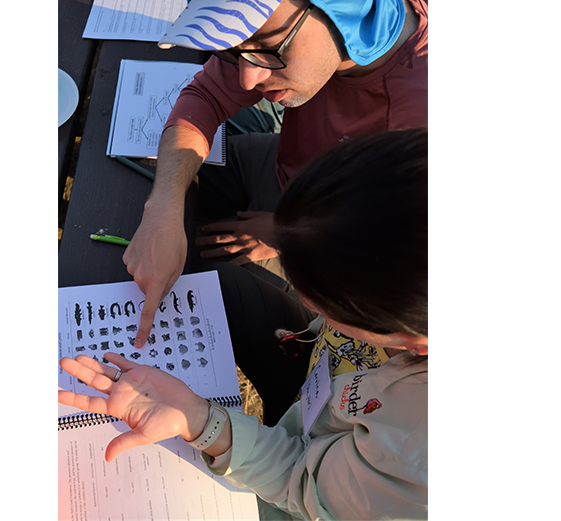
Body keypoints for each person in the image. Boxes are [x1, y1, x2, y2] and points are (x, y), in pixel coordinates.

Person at [60, 130, 428, 521]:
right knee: (225, 286)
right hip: (319, 371)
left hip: (307, 489)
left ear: (412, 338)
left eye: (317, 294)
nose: (301, 295)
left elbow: (302, 480)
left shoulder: (415, 457)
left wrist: (204, 424)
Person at [123, 0, 428, 347]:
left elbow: (396, 260)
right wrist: (163, 209)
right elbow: (205, 97)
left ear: (342, 6)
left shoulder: (422, 121)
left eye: (268, 48)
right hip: (282, 167)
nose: (247, 80)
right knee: (139, 194)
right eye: (235, 49)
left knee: (210, 285)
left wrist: (286, 234)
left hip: (335, 243)